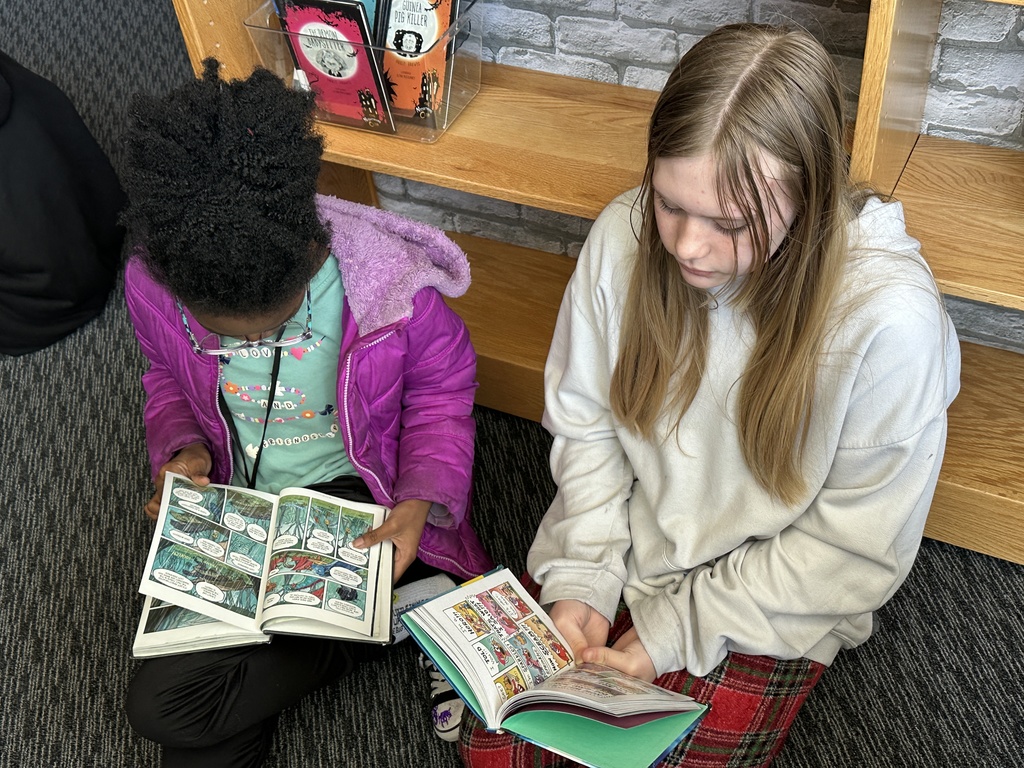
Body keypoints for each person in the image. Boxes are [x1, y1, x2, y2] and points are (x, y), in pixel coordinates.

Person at [459, 23, 960, 768]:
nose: (687, 246)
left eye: (729, 223)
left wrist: (667, 632)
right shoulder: (623, 237)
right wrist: (584, 579)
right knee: (497, 750)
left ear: (810, 198)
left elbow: (850, 551)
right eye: (668, 203)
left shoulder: (890, 325)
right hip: (634, 542)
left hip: (774, 598)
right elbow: (587, 422)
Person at [120, 58, 492, 767]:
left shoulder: (393, 291)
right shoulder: (153, 282)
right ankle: (391, 618)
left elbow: (443, 396)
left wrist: (420, 501)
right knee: (168, 709)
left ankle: (379, 603)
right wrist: (183, 453)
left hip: (366, 495)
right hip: (240, 505)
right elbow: (163, 376)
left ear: (309, 255)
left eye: (279, 325)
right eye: (227, 335)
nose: (257, 344)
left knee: (179, 709)